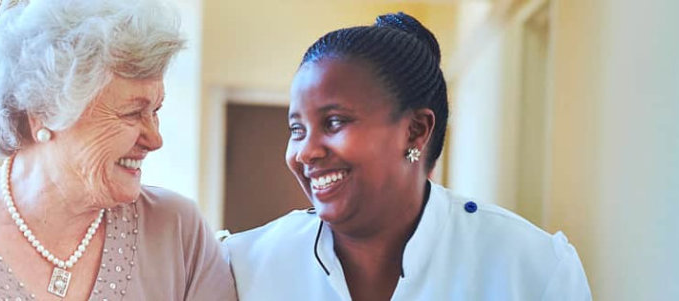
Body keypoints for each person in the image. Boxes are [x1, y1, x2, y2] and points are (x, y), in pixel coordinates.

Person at [0, 0, 236, 300]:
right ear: (42, 113)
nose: (154, 139)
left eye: (155, 111)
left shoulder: (176, 230)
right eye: (132, 113)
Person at [225, 12, 591, 300]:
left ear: (415, 130)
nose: (305, 152)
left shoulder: (532, 268)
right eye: (297, 130)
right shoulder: (241, 267)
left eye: (334, 122)